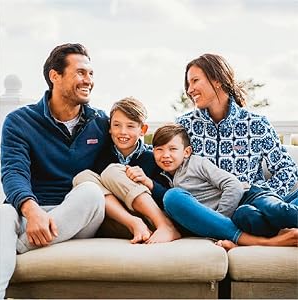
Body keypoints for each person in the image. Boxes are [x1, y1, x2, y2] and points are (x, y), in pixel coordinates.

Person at [0, 43, 112, 299]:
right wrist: (32, 210)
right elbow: (13, 172)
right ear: (55, 76)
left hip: (79, 216)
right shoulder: (19, 121)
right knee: (3, 212)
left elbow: (122, 162)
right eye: (81, 73)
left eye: (91, 74)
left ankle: (18, 248)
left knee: (91, 192)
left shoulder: (101, 122)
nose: (89, 80)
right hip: (34, 212)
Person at [176, 53, 298, 237]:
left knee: (263, 210)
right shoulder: (184, 126)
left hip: (255, 201)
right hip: (216, 212)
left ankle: (277, 217)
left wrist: (267, 196)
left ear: (217, 80)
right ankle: (279, 225)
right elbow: (166, 158)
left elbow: (286, 168)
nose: (189, 89)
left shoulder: (256, 124)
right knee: (245, 214)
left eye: (194, 81)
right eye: (188, 84)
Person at [152, 123, 298, 249]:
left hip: (250, 196)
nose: (165, 155)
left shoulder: (196, 163)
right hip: (239, 214)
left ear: (186, 152)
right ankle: (281, 236)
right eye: (159, 149)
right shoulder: (164, 178)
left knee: (278, 210)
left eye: (172, 149)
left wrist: (219, 218)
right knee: (248, 216)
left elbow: (234, 185)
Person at [73, 97, 181, 244]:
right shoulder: (101, 157)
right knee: (82, 178)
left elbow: (168, 197)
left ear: (143, 130)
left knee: (111, 172)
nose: (123, 132)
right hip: (121, 222)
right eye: (117, 125)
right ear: (110, 128)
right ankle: (134, 223)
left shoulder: (153, 158)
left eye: (130, 126)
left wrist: (148, 183)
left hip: (150, 220)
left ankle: (165, 226)